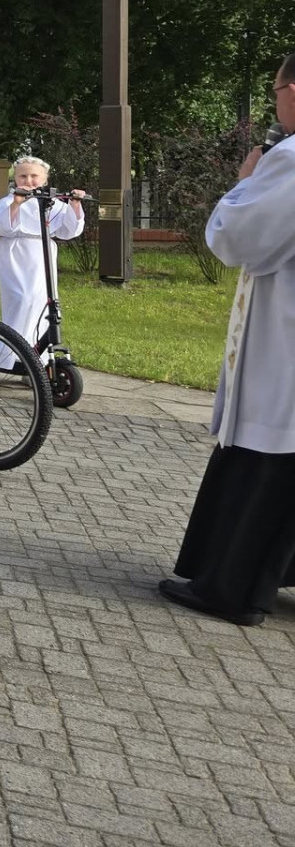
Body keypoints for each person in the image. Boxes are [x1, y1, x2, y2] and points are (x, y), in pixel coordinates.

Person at [161, 56, 295, 626]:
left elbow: (238, 239)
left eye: (276, 90)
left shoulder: (290, 158)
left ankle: (233, 588)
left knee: (270, 454)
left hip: (284, 344)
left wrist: (245, 182)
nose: (274, 102)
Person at [0, 157, 85, 364]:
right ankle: (9, 354)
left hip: (42, 253)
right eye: (23, 176)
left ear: (45, 179)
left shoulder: (53, 203)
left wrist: (74, 205)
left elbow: (68, 230)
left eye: (34, 176)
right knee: (22, 298)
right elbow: (0, 227)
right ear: (15, 179)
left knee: (42, 301)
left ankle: (36, 355)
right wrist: (16, 204)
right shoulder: (7, 201)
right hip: (15, 253)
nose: (28, 180)